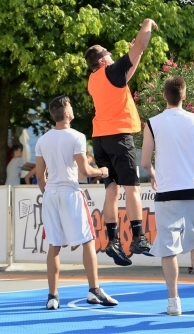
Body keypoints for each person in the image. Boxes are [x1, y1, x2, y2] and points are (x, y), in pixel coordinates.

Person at [85, 18, 159, 266]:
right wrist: (146, 24)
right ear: (102, 60)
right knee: (132, 188)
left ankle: (113, 240)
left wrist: (136, 54)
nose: (111, 54)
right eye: (107, 52)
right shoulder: (111, 71)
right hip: (119, 136)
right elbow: (140, 45)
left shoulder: (94, 79)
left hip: (100, 139)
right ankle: (138, 238)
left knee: (112, 190)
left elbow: (125, 76)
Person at [141, 76, 194, 316]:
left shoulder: (153, 123)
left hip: (167, 190)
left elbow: (145, 162)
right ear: (184, 95)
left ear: (165, 96)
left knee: (168, 247)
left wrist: (153, 174)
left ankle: (174, 301)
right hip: (193, 188)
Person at [35, 95, 118, 310]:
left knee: (54, 245)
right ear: (66, 113)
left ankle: (52, 296)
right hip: (70, 193)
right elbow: (85, 170)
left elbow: (40, 176)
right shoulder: (77, 137)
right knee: (88, 240)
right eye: (70, 105)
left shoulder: (43, 140)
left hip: (51, 194)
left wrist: (48, 192)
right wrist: (102, 171)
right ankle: (94, 290)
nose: (72, 108)